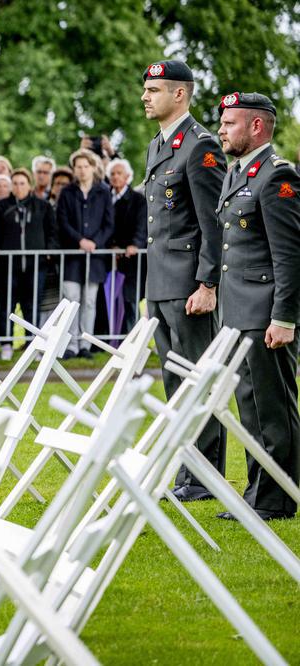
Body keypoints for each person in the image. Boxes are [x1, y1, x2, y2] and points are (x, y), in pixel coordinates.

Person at [141, 60, 227, 500]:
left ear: (180, 94)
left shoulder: (199, 146)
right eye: (145, 89)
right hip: (161, 283)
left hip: (190, 284)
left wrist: (208, 284)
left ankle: (206, 476)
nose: (145, 96)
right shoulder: (158, 145)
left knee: (199, 378)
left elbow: (214, 223)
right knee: (175, 382)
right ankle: (187, 470)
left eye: (154, 89)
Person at [214, 91, 300, 521]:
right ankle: (259, 492)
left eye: (230, 123)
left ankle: (279, 497)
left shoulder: (277, 177)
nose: (221, 130)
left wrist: (284, 317)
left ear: (257, 127)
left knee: (273, 408)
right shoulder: (237, 174)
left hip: (267, 314)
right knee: (250, 408)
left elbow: (289, 254)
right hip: (239, 312)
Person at [0, 168, 56, 359]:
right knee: (6, 306)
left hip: (36, 266)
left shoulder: (43, 206)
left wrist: (50, 253)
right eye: (15, 183)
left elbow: (52, 232)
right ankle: (6, 344)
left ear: (29, 185)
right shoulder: (1, 207)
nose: (18, 187)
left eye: (22, 183)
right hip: (9, 267)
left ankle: (32, 344)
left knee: (31, 306)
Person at [56, 148, 114, 358]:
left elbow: (109, 224)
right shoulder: (67, 192)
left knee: (89, 301)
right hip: (72, 254)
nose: (81, 170)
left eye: (85, 166)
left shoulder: (104, 191)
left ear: (92, 167)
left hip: (95, 256)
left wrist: (94, 242)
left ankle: (85, 345)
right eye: (78, 167)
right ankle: (71, 344)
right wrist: (79, 240)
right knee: (71, 298)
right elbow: (62, 221)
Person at [105, 158, 147, 334]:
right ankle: (115, 338)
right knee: (112, 299)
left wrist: (135, 244)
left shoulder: (138, 199)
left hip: (133, 258)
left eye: (119, 173)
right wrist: (111, 246)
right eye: (112, 174)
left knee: (130, 299)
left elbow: (142, 224)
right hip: (111, 258)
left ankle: (133, 338)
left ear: (127, 176)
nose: (115, 177)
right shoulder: (105, 198)